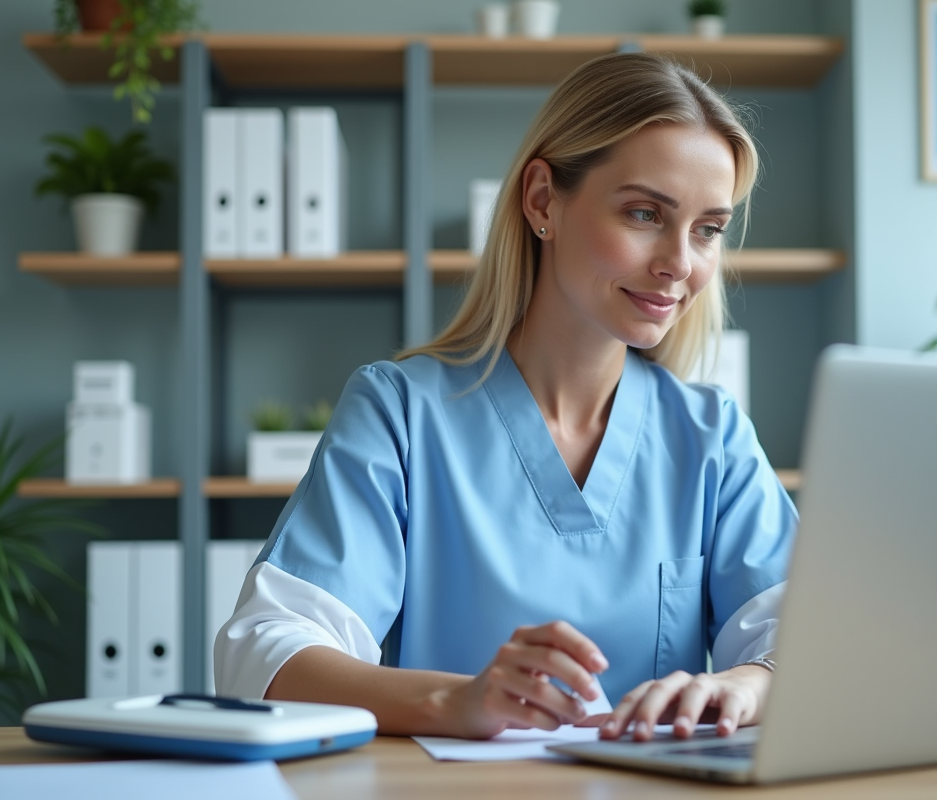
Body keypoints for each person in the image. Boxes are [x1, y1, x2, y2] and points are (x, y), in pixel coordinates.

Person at [215, 53, 796, 743]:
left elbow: (800, 643)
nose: (680, 262)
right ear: (543, 201)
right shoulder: (401, 413)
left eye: (707, 229)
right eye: (645, 213)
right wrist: (454, 702)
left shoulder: (711, 437)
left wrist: (741, 685)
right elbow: (265, 650)